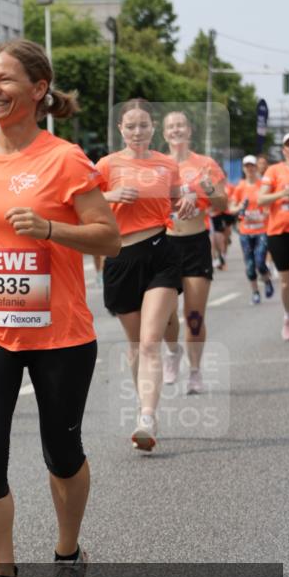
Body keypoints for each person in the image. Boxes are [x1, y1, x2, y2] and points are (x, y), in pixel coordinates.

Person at [0, 39, 120, 577]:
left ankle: (68, 555)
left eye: (5, 79)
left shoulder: (65, 159)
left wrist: (49, 228)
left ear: (38, 90)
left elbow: (108, 236)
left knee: (61, 451)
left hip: (61, 332)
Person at [96, 99, 197, 451]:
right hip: (121, 259)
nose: (137, 131)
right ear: (121, 129)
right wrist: (110, 193)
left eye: (143, 125)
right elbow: (80, 202)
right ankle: (144, 405)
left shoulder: (166, 164)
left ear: (153, 128)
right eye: (131, 125)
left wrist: (187, 201)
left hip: (160, 253)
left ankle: (147, 420)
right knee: (136, 344)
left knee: (150, 341)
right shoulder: (107, 164)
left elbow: (181, 196)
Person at [161, 111, 228, 394]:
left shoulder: (205, 164)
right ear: (164, 133)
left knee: (194, 316)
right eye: (171, 126)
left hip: (195, 243)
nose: (177, 130)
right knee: (164, 314)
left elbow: (222, 204)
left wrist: (206, 188)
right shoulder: (156, 165)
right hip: (164, 245)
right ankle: (173, 351)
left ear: (190, 130)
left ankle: (196, 371)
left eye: (181, 125)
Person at [259, 131, 289, 344]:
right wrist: (283, 194)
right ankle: (288, 316)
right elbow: (261, 199)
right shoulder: (274, 171)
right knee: (285, 283)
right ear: (284, 150)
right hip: (278, 232)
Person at [229, 155, 274, 304]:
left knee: (260, 261)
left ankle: (267, 280)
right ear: (243, 168)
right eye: (247, 166)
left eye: (252, 166)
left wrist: (264, 215)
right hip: (245, 232)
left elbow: (269, 207)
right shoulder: (240, 187)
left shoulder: (263, 186)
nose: (250, 169)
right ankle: (255, 292)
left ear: (256, 168)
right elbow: (231, 207)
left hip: (261, 230)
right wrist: (240, 208)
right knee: (249, 266)